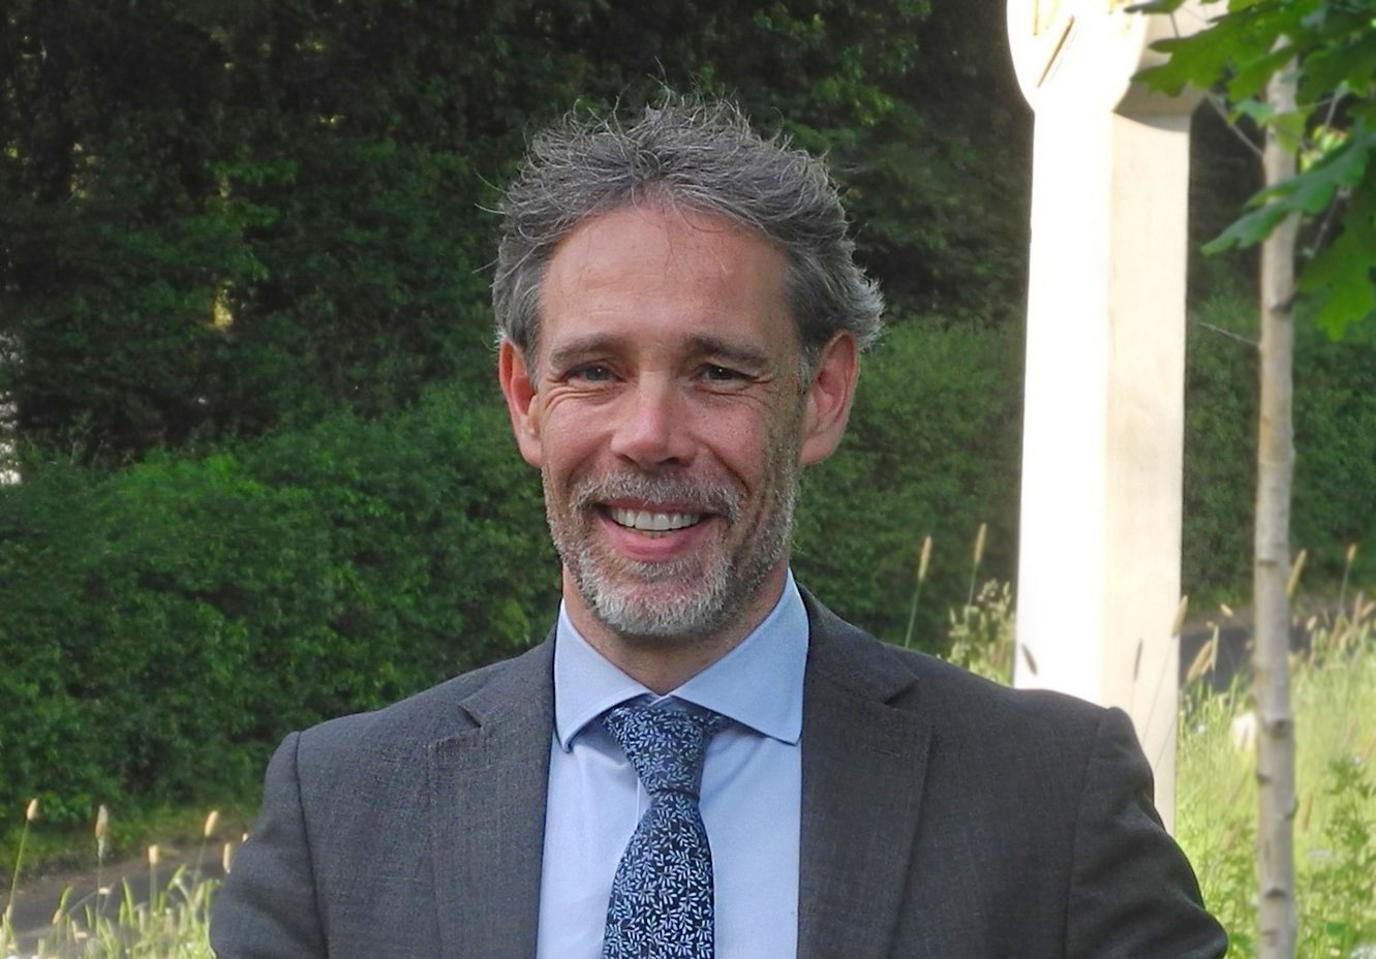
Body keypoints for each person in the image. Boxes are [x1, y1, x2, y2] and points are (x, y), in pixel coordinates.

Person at [210, 97, 1227, 959]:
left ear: (819, 394)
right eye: (594, 370)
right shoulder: (338, 816)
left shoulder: (1044, 801)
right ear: (524, 397)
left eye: (716, 371)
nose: (648, 435)